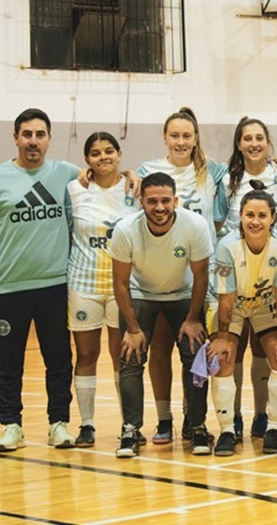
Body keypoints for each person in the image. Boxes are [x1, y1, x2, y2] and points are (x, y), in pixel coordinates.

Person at [0, 108, 80, 451]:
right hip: (9, 286)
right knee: (8, 361)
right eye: (27, 134)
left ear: (49, 138)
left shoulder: (67, 175)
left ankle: (58, 423)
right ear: (16, 137)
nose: (33, 141)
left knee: (59, 358)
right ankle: (11, 425)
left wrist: (131, 174)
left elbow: (107, 178)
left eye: (40, 134)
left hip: (56, 285)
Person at [136, 107, 228, 445]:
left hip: (200, 277)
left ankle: (195, 420)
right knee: (160, 348)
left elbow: (247, 167)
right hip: (160, 276)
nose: (180, 141)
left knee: (196, 352)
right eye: (174, 135)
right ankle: (164, 419)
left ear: (196, 138)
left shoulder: (211, 170)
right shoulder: (148, 170)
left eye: (187, 135)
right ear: (164, 137)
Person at [111, 172, 213, 458]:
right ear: (141, 201)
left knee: (196, 356)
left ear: (176, 201)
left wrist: (193, 319)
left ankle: (197, 425)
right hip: (141, 294)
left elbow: (201, 275)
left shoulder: (195, 225)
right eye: (152, 201)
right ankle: (131, 429)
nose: (159, 207)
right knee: (130, 356)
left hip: (183, 295)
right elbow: (119, 282)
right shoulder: (125, 229)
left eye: (165, 201)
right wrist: (132, 328)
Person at [217, 116, 277, 441]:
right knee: (227, 351)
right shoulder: (226, 178)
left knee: (271, 351)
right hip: (235, 277)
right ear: (238, 143)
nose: (254, 143)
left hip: (269, 277)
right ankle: (229, 422)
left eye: (260, 137)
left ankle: (266, 419)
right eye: (247, 138)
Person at [209, 181, 277, 455]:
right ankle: (226, 430)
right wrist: (223, 338)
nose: (255, 221)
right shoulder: (226, 246)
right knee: (222, 357)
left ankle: (273, 427)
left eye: (262, 216)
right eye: (249, 215)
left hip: (263, 304)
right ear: (240, 217)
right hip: (230, 305)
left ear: (273, 219)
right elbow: (226, 298)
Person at [67, 132, 140, 447]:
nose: (103, 157)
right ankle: (86, 424)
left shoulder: (134, 189)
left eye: (109, 151)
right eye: (95, 153)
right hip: (83, 284)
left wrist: (133, 174)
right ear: (87, 160)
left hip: (121, 287)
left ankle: (129, 425)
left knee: (120, 357)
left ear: (120, 154)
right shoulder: (74, 189)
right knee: (86, 355)